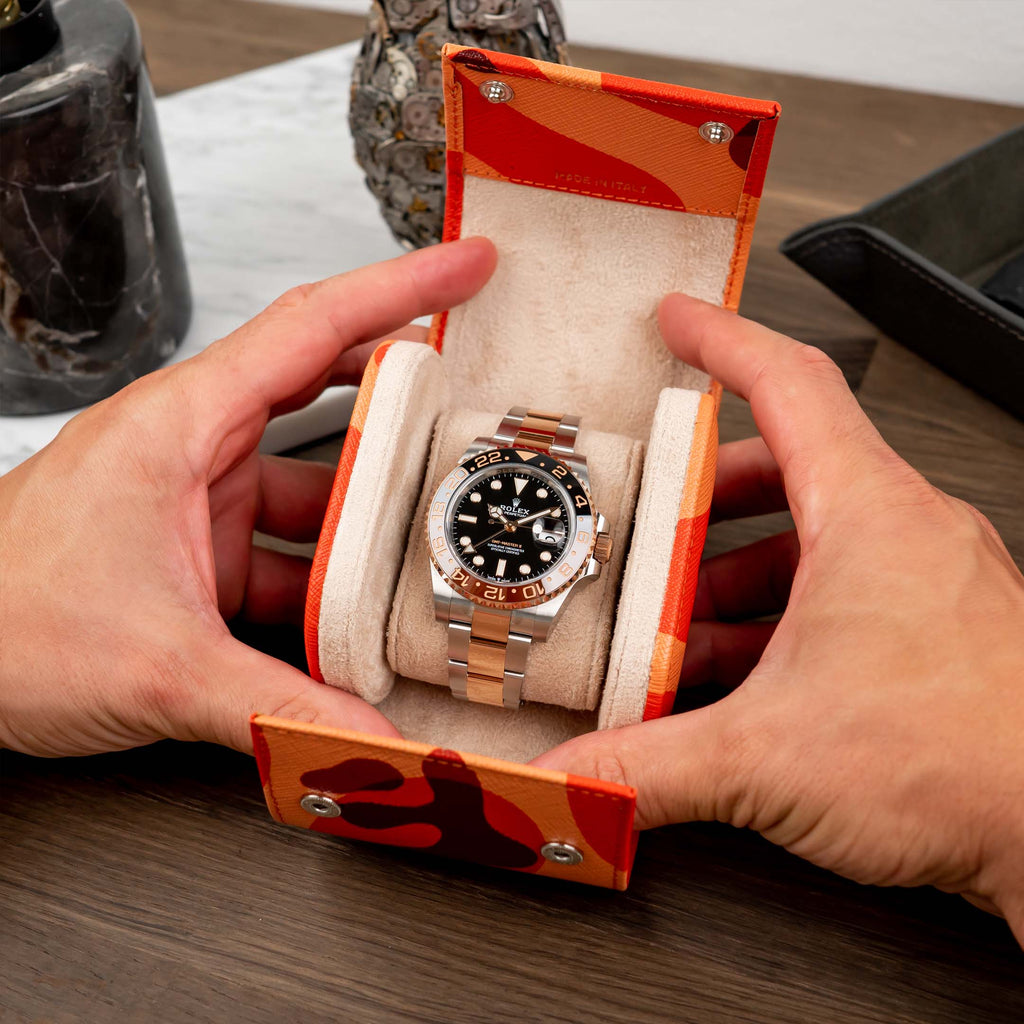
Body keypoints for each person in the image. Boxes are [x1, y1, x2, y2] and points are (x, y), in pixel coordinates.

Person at [1, 238, 1021, 945]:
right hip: (465, 579)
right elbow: (467, 525)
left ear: (592, 546)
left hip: (528, 592)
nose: (515, 532)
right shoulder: (468, 510)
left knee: (513, 578)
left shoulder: (572, 545)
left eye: (565, 533)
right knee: (486, 557)